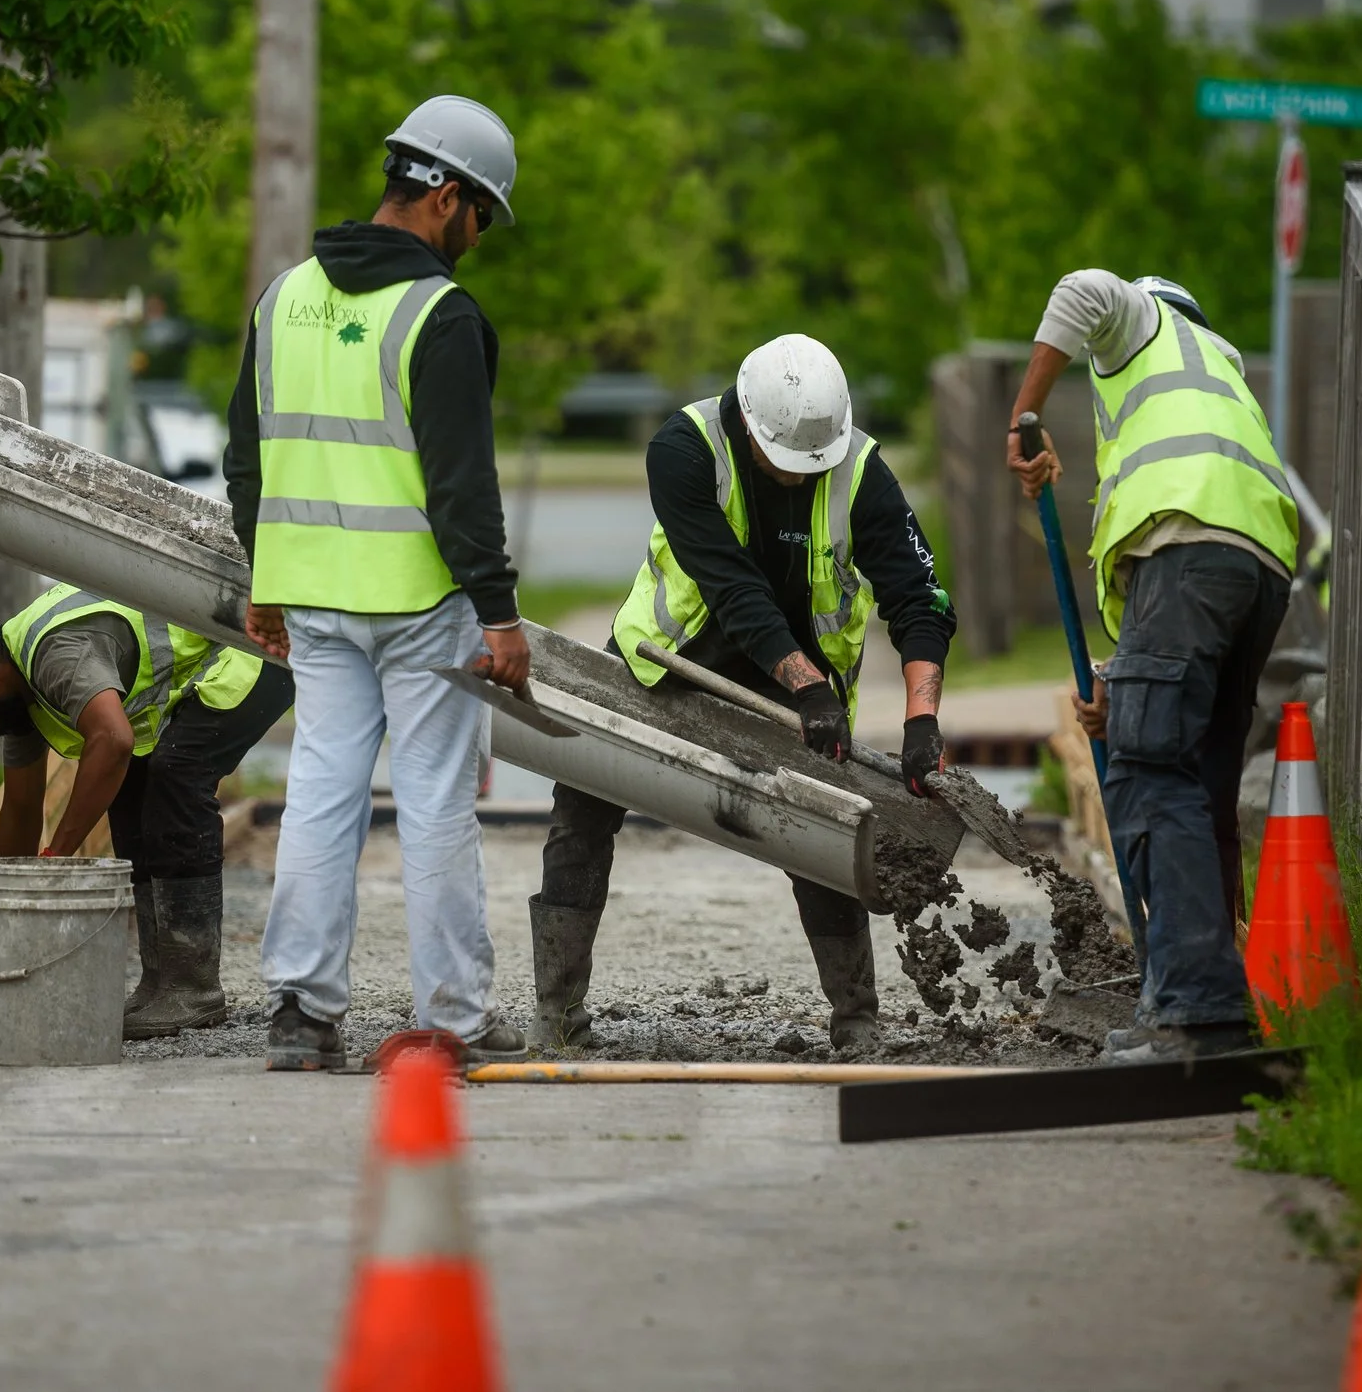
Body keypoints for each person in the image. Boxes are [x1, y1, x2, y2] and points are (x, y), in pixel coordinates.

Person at [530, 334, 958, 1054]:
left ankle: (857, 1020)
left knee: (824, 829)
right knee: (582, 802)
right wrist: (811, 689)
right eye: (783, 463)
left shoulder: (861, 471)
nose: (796, 479)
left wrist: (923, 719)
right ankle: (558, 1010)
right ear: (746, 421)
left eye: (809, 468)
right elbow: (733, 588)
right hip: (668, 658)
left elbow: (920, 599)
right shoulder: (684, 448)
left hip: (802, 682)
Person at [226, 94, 532, 1071]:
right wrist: (500, 611)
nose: (477, 238)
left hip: (312, 599)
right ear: (447, 197)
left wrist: (265, 573)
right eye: (481, 217)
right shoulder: (440, 315)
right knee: (436, 802)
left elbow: (249, 460)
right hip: (419, 606)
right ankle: (453, 1018)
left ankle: (301, 1015)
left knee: (321, 790)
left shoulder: (282, 298)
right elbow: (460, 488)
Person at [1005, 272, 1297, 1064]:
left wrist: (1023, 418)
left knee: (1145, 765)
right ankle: (1211, 996)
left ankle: (1194, 1009)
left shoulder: (1146, 319)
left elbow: (1080, 289)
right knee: (1201, 779)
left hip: (1191, 545)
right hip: (1261, 566)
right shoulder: (1219, 369)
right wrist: (1122, 687)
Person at [0, 586, 293, 1038]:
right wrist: (5, 945)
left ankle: (191, 988)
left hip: (251, 649)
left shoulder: (53, 656)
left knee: (176, 772)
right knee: (130, 787)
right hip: (212, 665)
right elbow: (21, 809)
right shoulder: (20, 696)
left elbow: (113, 740)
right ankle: (161, 984)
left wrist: (57, 860)